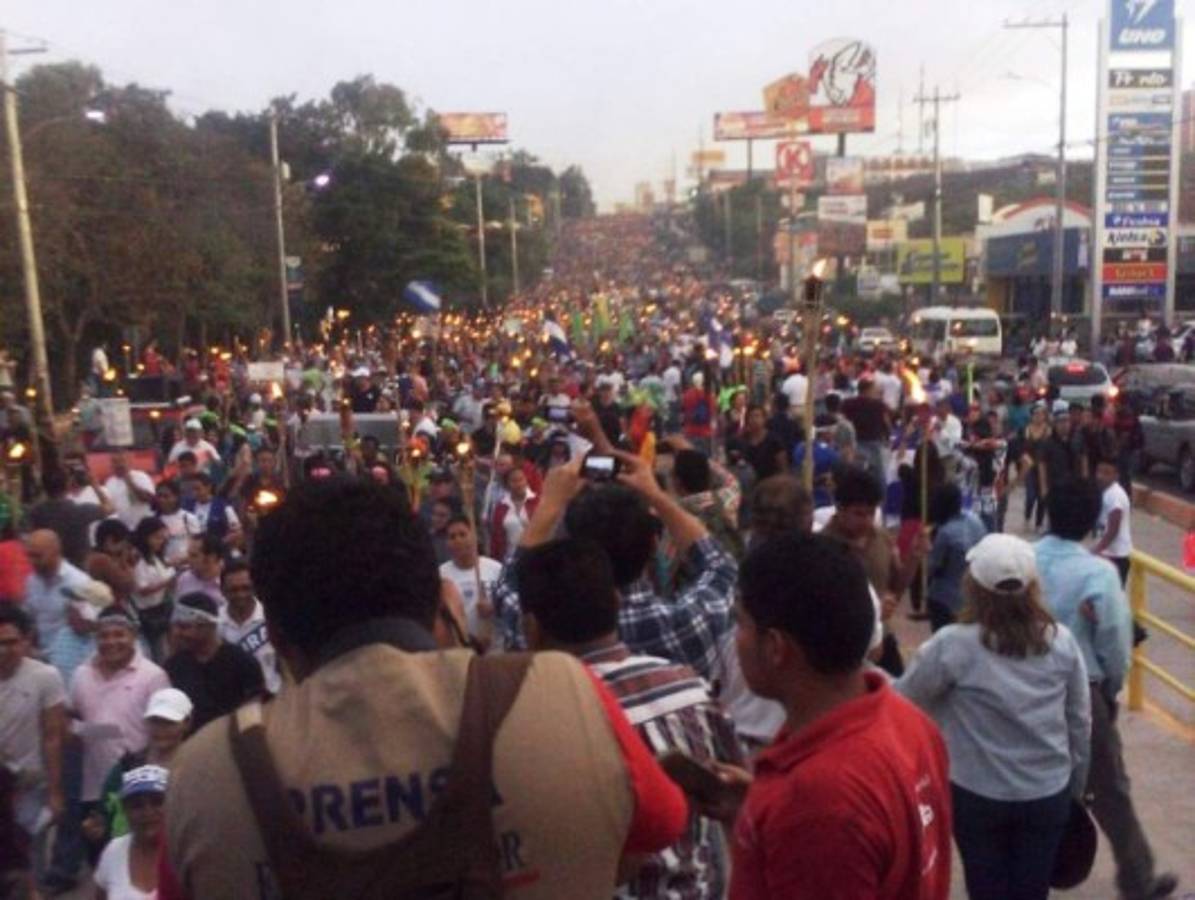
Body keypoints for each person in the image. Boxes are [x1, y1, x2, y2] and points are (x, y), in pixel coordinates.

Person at [158, 475, 687, 899]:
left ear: (275, 634)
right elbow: (660, 827)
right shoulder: (561, 693)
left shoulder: (202, 779)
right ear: (440, 600)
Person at [701, 532, 951, 899]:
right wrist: (757, 815)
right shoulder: (908, 721)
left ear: (774, 647)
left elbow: (831, 826)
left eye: (741, 623)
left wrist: (788, 818)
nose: (735, 639)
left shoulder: (817, 802)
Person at [519, 537, 743, 899]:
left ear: (531, 628)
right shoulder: (690, 687)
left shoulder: (537, 724)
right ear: (616, 601)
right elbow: (736, 791)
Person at [898, 533, 1091, 900]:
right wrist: (1076, 786)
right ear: (1032, 586)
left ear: (973, 586)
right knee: (1032, 889)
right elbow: (1079, 720)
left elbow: (906, 697)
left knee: (984, 887)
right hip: (1046, 791)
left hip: (975, 793)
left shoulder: (952, 644)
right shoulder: (1061, 641)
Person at [1036, 480, 1177, 900]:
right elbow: (1115, 645)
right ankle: (1137, 880)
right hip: (1083, 692)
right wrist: (1109, 691)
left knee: (1029, 784)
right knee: (1109, 789)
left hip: (1024, 687)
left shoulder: (1023, 560)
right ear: (1090, 523)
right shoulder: (1097, 573)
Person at [496, 452, 738, 680]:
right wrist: (656, 495)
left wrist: (550, 502)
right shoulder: (691, 622)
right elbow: (718, 562)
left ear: (574, 547)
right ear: (655, 545)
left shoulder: (543, 630)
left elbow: (509, 584)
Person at [68, 608, 169, 841]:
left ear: (133, 635)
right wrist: (105, 731)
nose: (111, 642)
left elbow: (163, 732)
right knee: (101, 863)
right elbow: (73, 725)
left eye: (119, 634)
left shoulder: (153, 676)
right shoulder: (81, 675)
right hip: (94, 790)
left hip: (140, 792)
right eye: (104, 636)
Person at [821, 466, 926, 676]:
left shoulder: (883, 539)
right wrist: (876, 606)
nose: (867, 521)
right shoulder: (823, 546)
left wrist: (914, 558)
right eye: (858, 514)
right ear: (840, 509)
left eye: (871, 513)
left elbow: (896, 587)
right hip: (841, 646)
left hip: (882, 639)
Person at [0, 605, 67, 879]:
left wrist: (54, 791)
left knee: (29, 862)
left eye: (11, 642)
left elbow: (53, 736)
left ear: (27, 640)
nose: (3, 650)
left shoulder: (45, 677)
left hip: (30, 785)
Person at [88, 689, 192, 846]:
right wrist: (98, 829)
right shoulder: (127, 767)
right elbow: (105, 815)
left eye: (169, 723)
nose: (160, 729)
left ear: (187, 723)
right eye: (155, 722)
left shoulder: (198, 768)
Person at [164, 592, 264, 732]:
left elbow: (255, 711)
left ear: (208, 626)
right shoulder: (174, 666)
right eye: (176, 627)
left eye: (184, 627)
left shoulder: (241, 662)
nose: (177, 633)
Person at [93, 765, 169, 900]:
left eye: (157, 802)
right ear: (125, 811)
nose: (148, 812)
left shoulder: (187, 852)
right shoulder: (114, 851)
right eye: (137, 805)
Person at [925, 483, 987, 632]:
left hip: (946, 597)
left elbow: (932, 567)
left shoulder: (946, 533)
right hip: (973, 594)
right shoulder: (975, 521)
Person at [671, 439, 744, 562]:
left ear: (677, 482)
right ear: (709, 476)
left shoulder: (673, 517)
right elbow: (728, 479)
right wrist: (691, 451)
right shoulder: (726, 497)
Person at [218, 560, 282, 695]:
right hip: (233, 701)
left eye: (246, 588)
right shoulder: (215, 623)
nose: (241, 594)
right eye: (234, 590)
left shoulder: (272, 616)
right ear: (222, 591)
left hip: (273, 697)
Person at [438, 515, 503, 648]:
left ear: (474, 536)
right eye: (452, 537)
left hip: (494, 650)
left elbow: (511, 608)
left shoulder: (496, 569)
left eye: (463, 534)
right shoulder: (441, 575)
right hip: (459, 651)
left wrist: (493, 608)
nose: (458, 540)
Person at [23, 530, 92, 651]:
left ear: (56, 552)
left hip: (68, 655)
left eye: (37, 556)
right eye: (29, 555)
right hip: (39, 653)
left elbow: (86, 630)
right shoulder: (32, 581)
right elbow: (30, 620)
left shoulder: (79, 583)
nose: (32, 561)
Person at [25, 467, 105, 568]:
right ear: (67, 484)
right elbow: (109, 507)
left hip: (50, 568)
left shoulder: (35, 512)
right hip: (78, 569)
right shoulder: (79, 511)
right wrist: (95, 485)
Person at [129, 518, 177, 660]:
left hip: (163, 608)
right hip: (148, 613)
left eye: (163, 538)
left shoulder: (155, 556)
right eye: (157, 537)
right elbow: (142, 589)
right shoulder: (138, 559)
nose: (160, 541)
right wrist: (167, 581)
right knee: (158, 652)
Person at [1093, 457, 1134, 586]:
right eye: (1099, 471)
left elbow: (1113, 529)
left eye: (1106, 473)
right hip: (1108, 553)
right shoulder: (1106, 492)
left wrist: (1096, 550)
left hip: (1115, 555)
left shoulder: (1115, 495)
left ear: (1116, 475)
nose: (1100, 476)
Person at [841, 379, 890, 482]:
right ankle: (880, 496)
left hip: (854, 441)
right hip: (873, 441)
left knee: (856, 473)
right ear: (868, 390)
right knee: (878, 474)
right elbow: (886, 423)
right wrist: (887, 436)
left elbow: (843, 421)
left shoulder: (847, 403)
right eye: (874, 389)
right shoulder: (879, 405)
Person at [86, 520, 138, 609]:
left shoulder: (94, 556)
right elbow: (129, 584)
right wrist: (125, 562)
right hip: (108, 609)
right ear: (109, 540)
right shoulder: (102, 560)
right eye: (123, 542)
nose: (124, 546)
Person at [489, 467, 538, 562]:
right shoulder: (501, 507)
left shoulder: (537, 502)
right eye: (514, 481)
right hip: (510, 559)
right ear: (507, 485)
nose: (518, 484)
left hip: (535, 557)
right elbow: (495, 538)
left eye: (521, 479)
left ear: (526, 481)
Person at [183, 474, 241, 548]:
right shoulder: (187, 506)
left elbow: (237, 532)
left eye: (198, 489)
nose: (195, 493)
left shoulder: (222, 505)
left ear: (208, 487)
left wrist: (219, 543)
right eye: (193, 490)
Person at [102, 452, 156, 530]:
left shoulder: (141, 476)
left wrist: (129, 481)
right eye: (115, 461)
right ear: (111, 464)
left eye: (121, 461)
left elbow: (149, 499)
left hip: (142, 527)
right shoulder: (109, 482)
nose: (118, 464)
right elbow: (110, 507)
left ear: (129, 462)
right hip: (122, 530)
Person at [732, 404, 787, 482]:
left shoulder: (773, 440)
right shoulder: (743, 439)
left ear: (764, 419)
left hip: (770, 483)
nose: (754, 420)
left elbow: (782, 466)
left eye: (757, 416)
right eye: (751, 417)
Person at [153, 481, 201, 568]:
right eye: (159, 496)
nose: (162, 500)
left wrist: (180, 561)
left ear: (176, 497)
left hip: (187, 567)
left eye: (166, 496)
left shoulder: (188, 518)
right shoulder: (153, 520)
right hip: (164, 569)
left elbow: (199, 547)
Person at [174, 535, 225, 610]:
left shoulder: (228, 582)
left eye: (194, 555)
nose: (188, 559)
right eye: (188, 554)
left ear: (211, 558)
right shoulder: (184, 579)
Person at [680, 372, 716, 455]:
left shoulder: (686, 394)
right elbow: (712, 412)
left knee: (692, 458)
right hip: (705, 432)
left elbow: (683, 410)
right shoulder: (709, 395)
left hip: (690, 431)